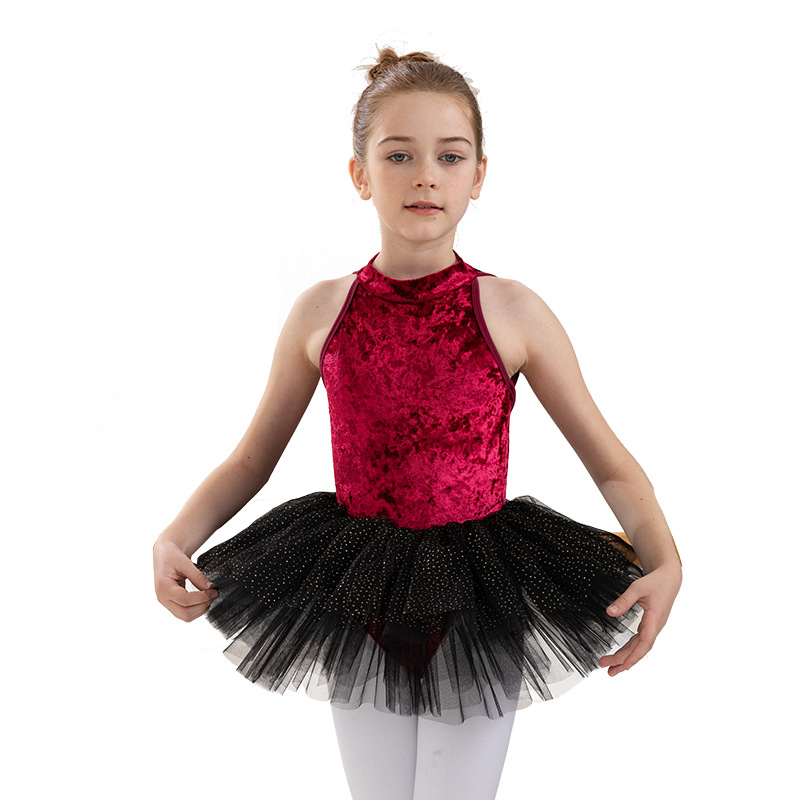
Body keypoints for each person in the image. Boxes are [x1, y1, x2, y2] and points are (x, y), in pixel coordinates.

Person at [153, 47, 682, 800]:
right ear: (360, 173)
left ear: (479, 175)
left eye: (449, 156)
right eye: (399, 155)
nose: (425, 175)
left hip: (476, 595)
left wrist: (666, 561)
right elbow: (250, 460)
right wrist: (175, 536)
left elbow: (609, 463)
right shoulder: (321, 311)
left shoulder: (512, 311)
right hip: (358, 591)